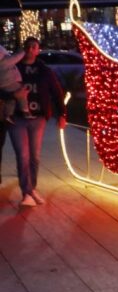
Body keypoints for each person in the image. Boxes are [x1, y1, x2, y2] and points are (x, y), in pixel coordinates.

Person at [10, 38, 67, 207]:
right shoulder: (14, 68)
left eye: (34, 46)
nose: (30, 49)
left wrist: (62, 114)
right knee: (23, 156)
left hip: (38, 118)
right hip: (17, 118)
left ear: (38, 50)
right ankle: (26, 192)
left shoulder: (44, 70)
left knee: (34, 156)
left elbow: (56, 92)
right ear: (23, 49)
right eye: (27, 46)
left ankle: (31, 189)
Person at [0, 44, 30, 122]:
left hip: (4, 83)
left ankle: (8, 114)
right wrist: (23, 52)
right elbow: (16, 57)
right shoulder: (5, 61)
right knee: (21, 94)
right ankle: (25, 110)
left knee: (10, 100)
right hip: (10, 81)